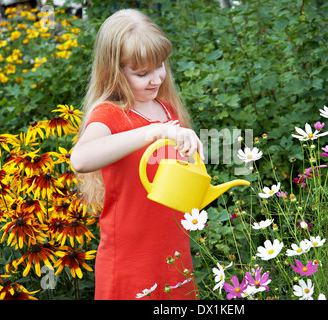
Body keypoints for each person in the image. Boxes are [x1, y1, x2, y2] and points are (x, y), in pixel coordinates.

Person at [70, 8, 204, 300]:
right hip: (131, 257)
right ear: (115, 72)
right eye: (142, 73)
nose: (156, 79)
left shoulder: (166, 109)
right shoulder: (109, 114)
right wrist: (153, 132)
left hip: (172, 248)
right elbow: (81, 159)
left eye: (160, 66)